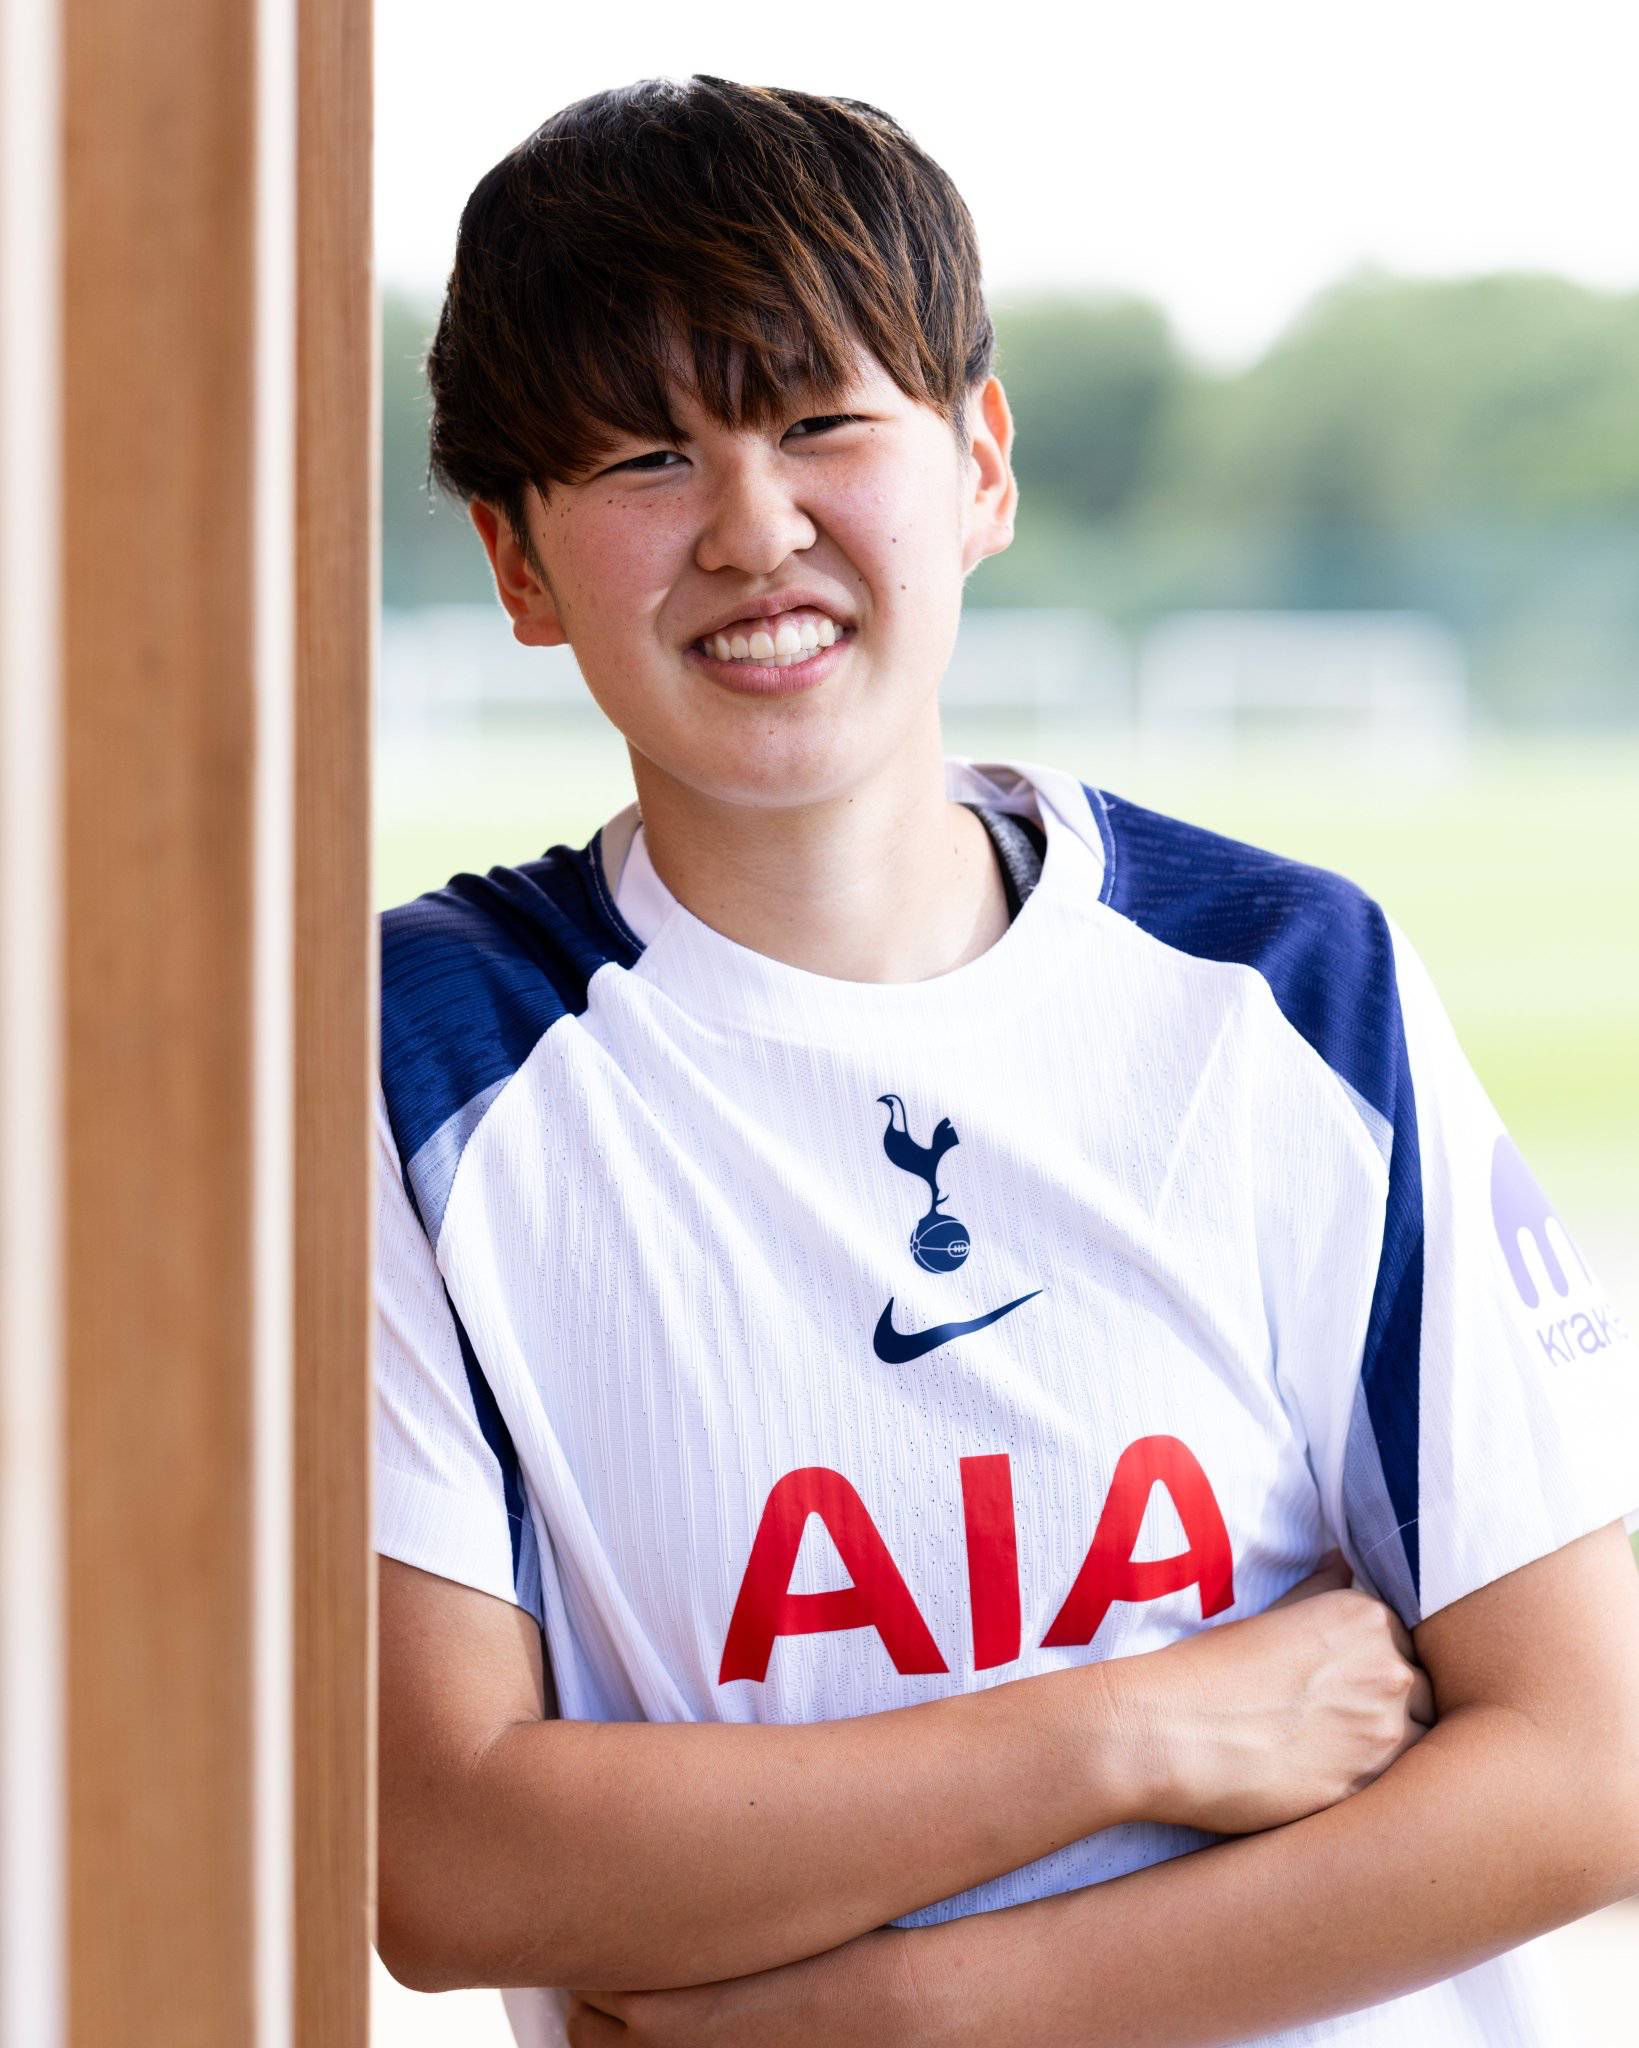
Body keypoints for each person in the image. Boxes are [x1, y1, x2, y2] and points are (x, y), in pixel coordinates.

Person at [372, 76, 1639, 2047]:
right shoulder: (417, 1066)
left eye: (820, 423)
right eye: (640, 457)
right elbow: (451, 1858)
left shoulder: (1287, 985)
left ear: (978, 462)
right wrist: (1140, 1725)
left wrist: (906, 2016)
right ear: (518, 566)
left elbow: (1590, 1761)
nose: (751, 527)